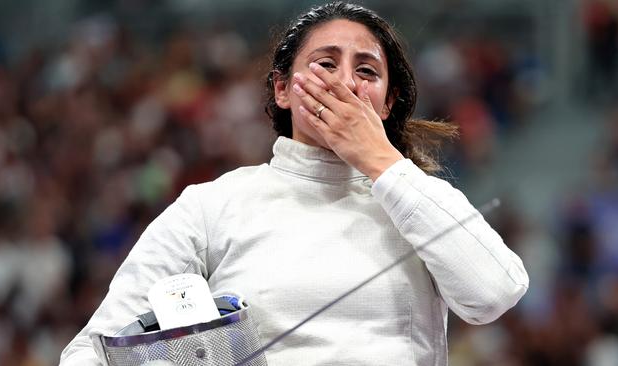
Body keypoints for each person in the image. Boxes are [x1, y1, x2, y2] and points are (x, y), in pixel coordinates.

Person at [60, 2, 528, 365]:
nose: (346, 82)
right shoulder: (213, 205)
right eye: (326, 64)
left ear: (387, 104)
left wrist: (381, 161)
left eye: (367, 71)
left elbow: (493, 294)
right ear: (283, 89)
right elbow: (95, 350)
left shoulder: (420, 200)